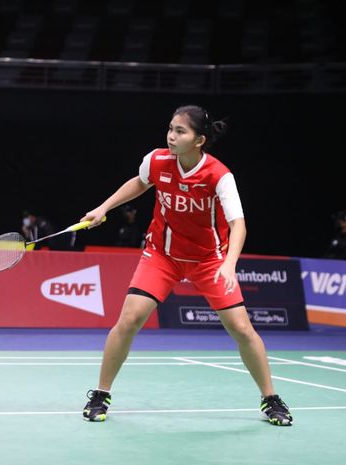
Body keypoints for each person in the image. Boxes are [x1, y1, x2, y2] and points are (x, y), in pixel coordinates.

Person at [78, 105, 293, 426]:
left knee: (241, 328)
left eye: (180, 131)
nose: (171, 136)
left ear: (199, 140)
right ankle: (100, 393)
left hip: (209, 261)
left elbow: (239, 225)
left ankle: (270, 398)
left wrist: (229, 263)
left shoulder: (219, 175)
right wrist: (103, 207)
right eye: (170, 129)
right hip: (162, 256)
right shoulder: (157, 160)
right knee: (130, 318)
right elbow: (140, 182)